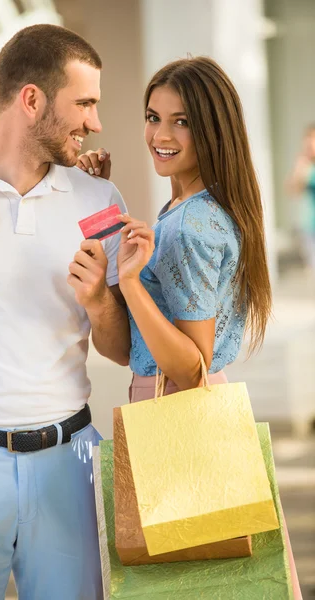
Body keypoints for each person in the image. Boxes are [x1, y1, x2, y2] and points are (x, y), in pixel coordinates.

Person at [0, 24, 130, 600]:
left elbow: (118, 348)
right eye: (83, 103)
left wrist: (100, 300)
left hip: (70, 463)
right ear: (31, 100)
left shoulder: (101, 200)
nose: (95, 122)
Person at [78, 56, 302, 599]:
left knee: (182, 583)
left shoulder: (194, 225)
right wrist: (101, 204)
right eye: (153, 117)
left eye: (182, 121)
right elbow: (137, 345)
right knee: (218, 579)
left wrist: (129, 282)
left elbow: (190, 368)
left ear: (213, 128)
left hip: (176, 413)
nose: (162, 134)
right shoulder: (185, 207)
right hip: (178, 412)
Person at [286, 124, 315, 276]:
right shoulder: (304, 165)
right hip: (309, 224)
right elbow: (293, 191)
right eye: (308, 139)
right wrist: (300, 168)